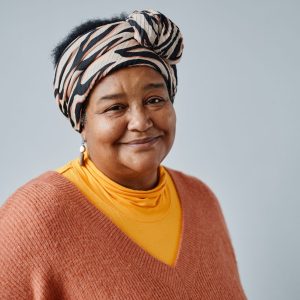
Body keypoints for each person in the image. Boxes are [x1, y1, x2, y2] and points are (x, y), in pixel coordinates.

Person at [0, 9, 246, 299]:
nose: (141, 122)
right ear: (82, 122)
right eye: (115, 107)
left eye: (155, 100)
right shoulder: (37, 219)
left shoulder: (201, 200)